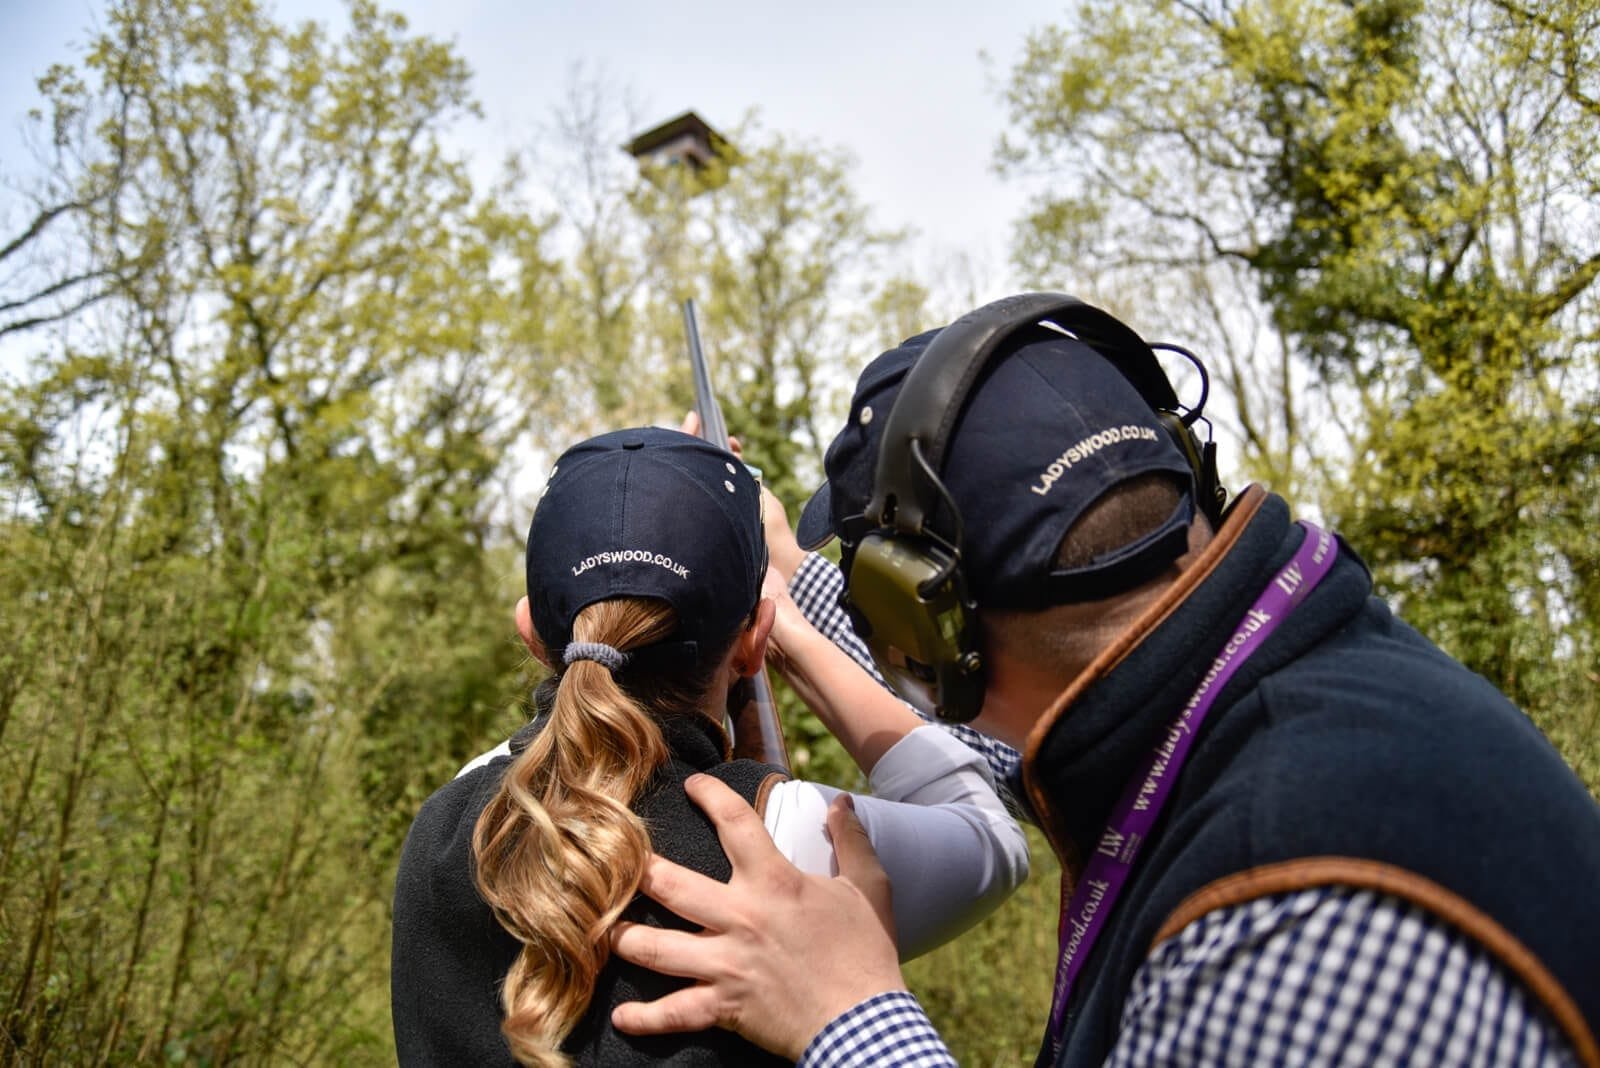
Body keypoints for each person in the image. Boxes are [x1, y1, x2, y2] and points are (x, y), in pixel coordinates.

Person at [608, 295, 1600, 1067]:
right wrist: (785, 580)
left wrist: (850, 1017)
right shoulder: (1273, 679)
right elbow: (1017, 749)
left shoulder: (1277, 914)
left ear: (922, 617)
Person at [389, 426, 1028, 1066]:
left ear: (531, 631)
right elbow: (991, 831)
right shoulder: (780, 841)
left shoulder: (442, 827)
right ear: (754, 637)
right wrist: (794, 630)